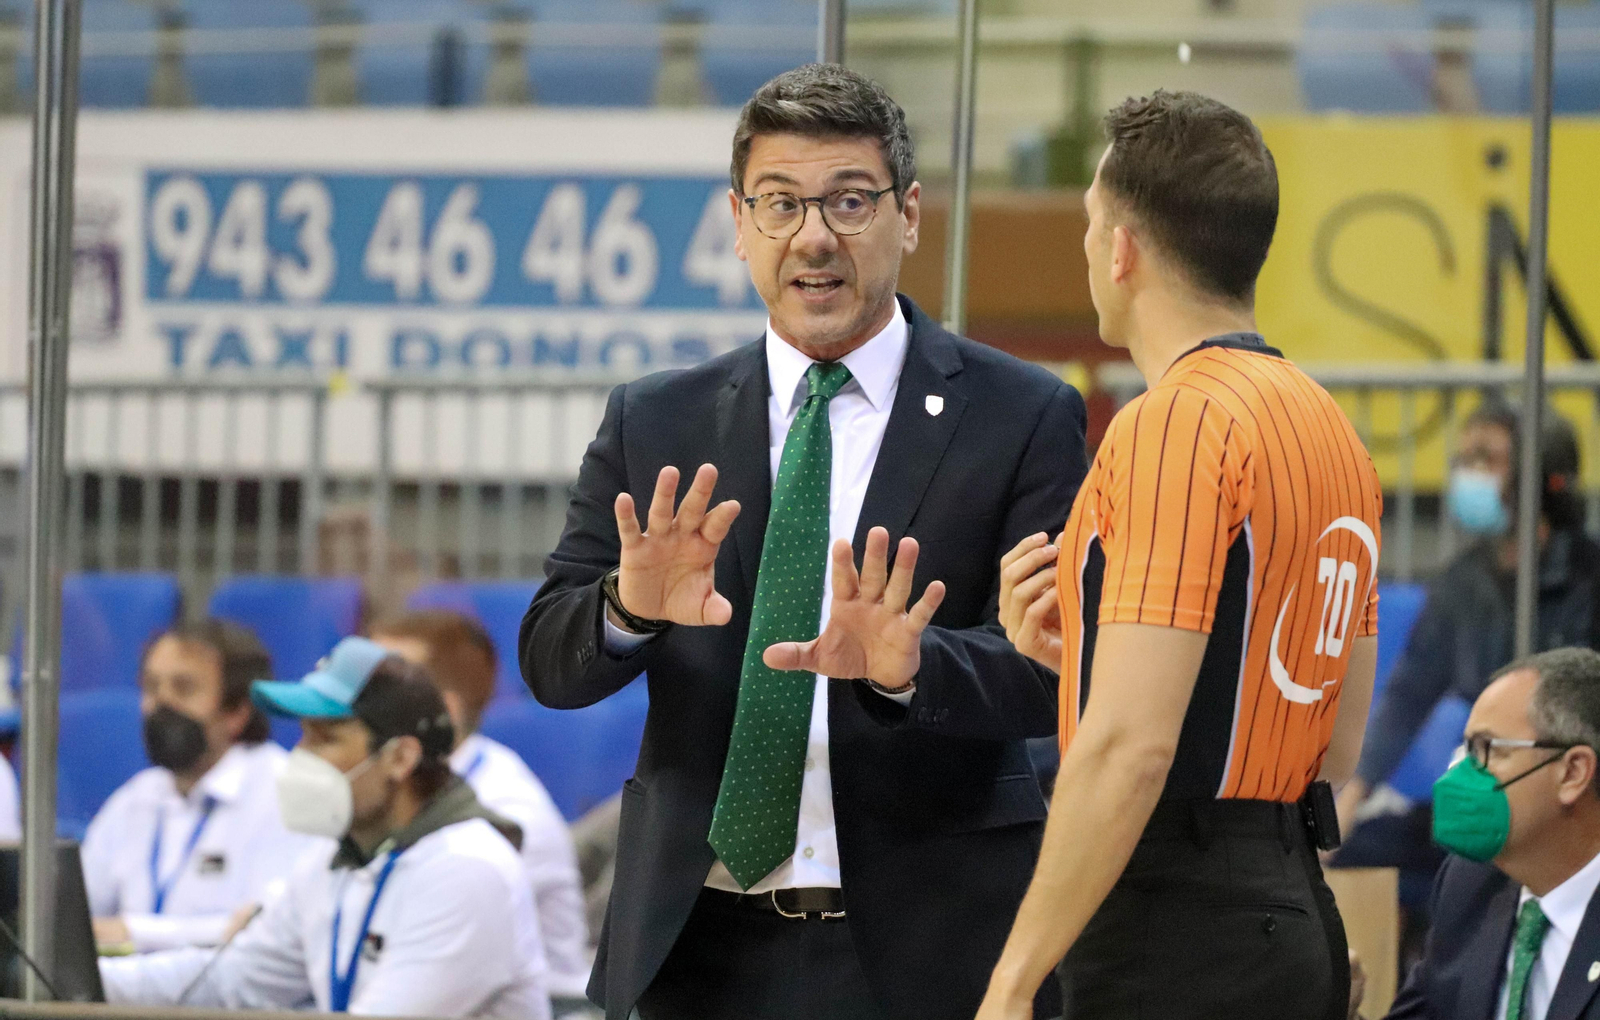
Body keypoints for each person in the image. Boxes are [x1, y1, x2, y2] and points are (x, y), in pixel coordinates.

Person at [519, 63, 1088, 1020]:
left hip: (921, 953)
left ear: (907, 216)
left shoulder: (1022, 415)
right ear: (739, 225)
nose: (814, 237)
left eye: (849, 202)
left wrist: (915, 667)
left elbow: (1053, 670)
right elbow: (549, 661)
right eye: (780, 204)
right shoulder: (657, 419)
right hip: (689, 945)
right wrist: (627, 608)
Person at [978, 90, 1384, 1020]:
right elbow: (1337, 733)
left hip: (1172, 928)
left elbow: (1131, 748)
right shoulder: (1335, 434)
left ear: (1121, 248)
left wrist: (1011, 983)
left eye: (1088, 225)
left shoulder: (1174, 423)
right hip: (1288, 909)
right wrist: (1080, 660)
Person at [99, 637, 553, 1019]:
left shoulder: (467, 871)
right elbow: (233, 978)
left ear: (400, 758)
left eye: (326, 738)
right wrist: (85, 982)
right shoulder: (336, 857)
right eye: (302, 735)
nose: (301, 756)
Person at [1336, 404, 1600, 840]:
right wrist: (1349, 802)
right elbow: (1407, 698)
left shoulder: (1589, 578)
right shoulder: (1460, 585)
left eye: (1488, 459)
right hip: (1488, 791)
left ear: (1542, 476)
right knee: (1369, 844)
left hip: (1573, 799)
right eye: (1465, 460)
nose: (1471, 475)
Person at [1352, 647, 1600, 1020]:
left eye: (1487, 750)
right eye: (1466, 750)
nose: (1457, 776)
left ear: (1572, 773)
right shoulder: (1469, 884)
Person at [369, 609, 591, 1012]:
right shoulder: (374, 793)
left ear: (444, 713)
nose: (350, 703)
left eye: (376, 691)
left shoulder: (506, 817)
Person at [83, 619, 313, 952]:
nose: (161, 706)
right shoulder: (137, 796)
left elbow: (265, 929)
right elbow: (77, 916)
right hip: (124, 993)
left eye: (183, 688)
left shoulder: (285, 793)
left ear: (236, 712)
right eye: (151, 687)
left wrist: (133, 932)